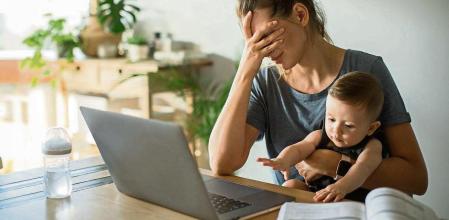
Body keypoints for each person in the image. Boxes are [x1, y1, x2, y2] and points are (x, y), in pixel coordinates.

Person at [208, 0, 427, 199]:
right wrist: (245, 71)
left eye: (266, 37)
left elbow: (416, 179)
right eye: (252, 42)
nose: (262, 52)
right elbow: (222, 163)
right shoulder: (266, 83)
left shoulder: (366, 71)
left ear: (300, 15)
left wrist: (335, 165)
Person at [258, 71, 384, 202]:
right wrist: (283, 160)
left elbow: (362, 169)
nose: (336, 131)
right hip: (316, 193)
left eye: (348, 125)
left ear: (371, 128)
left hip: (348, 198)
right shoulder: (320, 136)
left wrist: (341, 187)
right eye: (331, 119)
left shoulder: (372, 146)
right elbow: (298, 149)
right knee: (290, 186)